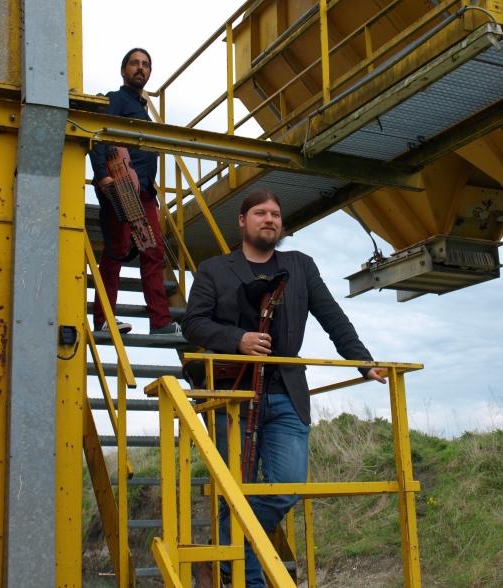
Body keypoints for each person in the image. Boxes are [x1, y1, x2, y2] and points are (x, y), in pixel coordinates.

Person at [182, 189, 386, 587]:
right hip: (231, 394)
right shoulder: (214, 269)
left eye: (276, 213)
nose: (270, 219)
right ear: (242, 221)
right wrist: (237, 338)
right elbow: (193, 324)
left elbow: (333, 317)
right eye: (260, 213)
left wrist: (363, 362)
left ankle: (220, 551)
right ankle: (249, 579)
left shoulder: (300, 266)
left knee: (286, 487)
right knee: (234, 491)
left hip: (286, 393)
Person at [89, 48, 180, 335]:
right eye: (134, 64)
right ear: (123, 70)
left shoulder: (143, 110)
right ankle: (103, 320)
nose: (140, 68)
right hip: (120, 185)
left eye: (145, 65)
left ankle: (160, 322)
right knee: (116, 251)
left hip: (144, 193)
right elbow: (98, 135)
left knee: (152, 252)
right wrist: (103, 176)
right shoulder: (115, 99)